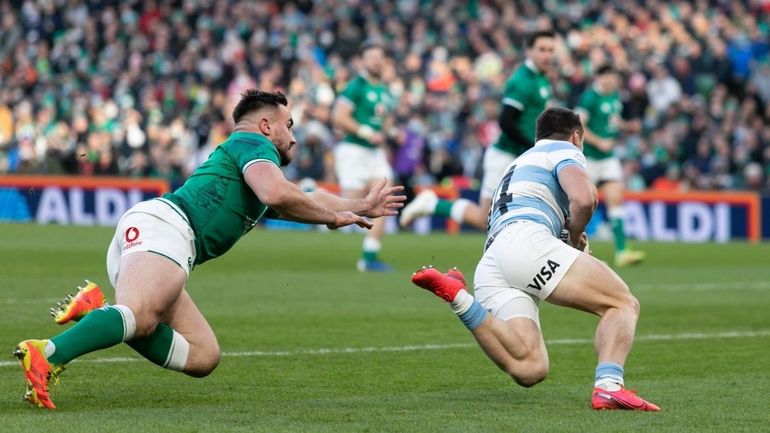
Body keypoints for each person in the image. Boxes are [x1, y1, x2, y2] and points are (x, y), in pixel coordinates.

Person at [13, 89, 406, 410]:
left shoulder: (255, 163)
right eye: (289, 125)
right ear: (266, 125)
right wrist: (333, 220)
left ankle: (101, 315)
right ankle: (47, 352)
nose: (294, 136)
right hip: (166, 229)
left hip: (162, 241)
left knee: (202, 356)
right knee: (141, 315)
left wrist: (359, 207)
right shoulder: (253, 143)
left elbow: (298, 196)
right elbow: (279, 194)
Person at [410, 107, 660, 411]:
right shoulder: (565, 150)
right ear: (576, 136)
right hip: (526, 242)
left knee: (530, 368)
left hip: (492, 259)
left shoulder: (518, 161)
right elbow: (585, 198)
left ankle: (458, 296)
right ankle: (609, 387)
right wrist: (575, 231)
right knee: (622, 303)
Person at [400, 30, 555, 230]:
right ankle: (433, 204)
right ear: (529, 51)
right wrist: (533, 147)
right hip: (505, 156)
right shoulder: (522, 81)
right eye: (542, 50)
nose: (547, 55)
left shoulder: (542, 79)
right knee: (486, 219)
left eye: (551, 50)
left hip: (523, 156)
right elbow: (506, 121)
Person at [332, 42, 397, 272]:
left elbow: (386, 119)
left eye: (379, 57)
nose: (376, 61)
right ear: (362, 61)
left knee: (384, 198)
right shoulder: (355, 86)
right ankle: (312, 212)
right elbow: (338, 116)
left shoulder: (386, 91)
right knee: (348, 203)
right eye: (371, 57)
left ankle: (369, 257)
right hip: (354, 150)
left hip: (374, 153)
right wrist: (365, 132)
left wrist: (389, 133)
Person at [575, 65, 645, 267]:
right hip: (588, 158)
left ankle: (622, 251)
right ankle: (573, 250)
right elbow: (579, 125)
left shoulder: (615, 97)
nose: (609, 80)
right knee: (582, 204)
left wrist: (627, 127)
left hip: (608, 158)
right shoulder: (590, 97)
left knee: (616, 198)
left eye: (612, 77)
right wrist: (599, 142)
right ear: (598, 78)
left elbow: (612, 123)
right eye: (605, 76)